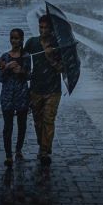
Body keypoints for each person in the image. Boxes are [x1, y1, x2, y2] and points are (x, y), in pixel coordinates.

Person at [24, 15, 64, 166]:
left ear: (51, 29)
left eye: (46, 27)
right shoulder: (32, 42)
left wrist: (51, 57)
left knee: (48, 120)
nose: (43, 30)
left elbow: (62, 68)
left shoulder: (57, 45)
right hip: (36, 88)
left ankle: (44, 150)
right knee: (38, 121)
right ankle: (43, 145)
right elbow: (22, 58)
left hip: (53, 89)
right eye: (41, 27)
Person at [0, 28, 31, 166]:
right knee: (8, 126)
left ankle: (18, 149)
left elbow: (29, 75)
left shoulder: (26, 56)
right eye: (12, 38)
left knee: (22, 125)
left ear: (22, 39)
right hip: (7, 96)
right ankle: (8, 155)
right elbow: (0, 79)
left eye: (16, 38)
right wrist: (6, 68)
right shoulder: (4, 57)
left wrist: (21, 70)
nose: (14, 41)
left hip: (22, 95)